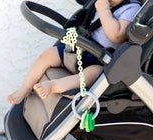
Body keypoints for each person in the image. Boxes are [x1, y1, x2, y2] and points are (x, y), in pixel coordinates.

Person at [8, 0, 141, 104]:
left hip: (100, 59)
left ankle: (54, 86)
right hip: (81, 49)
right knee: (49, 54)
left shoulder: (131, 8)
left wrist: (104, 9)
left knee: (93, 74)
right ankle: (25, 88)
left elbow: (117, 35)